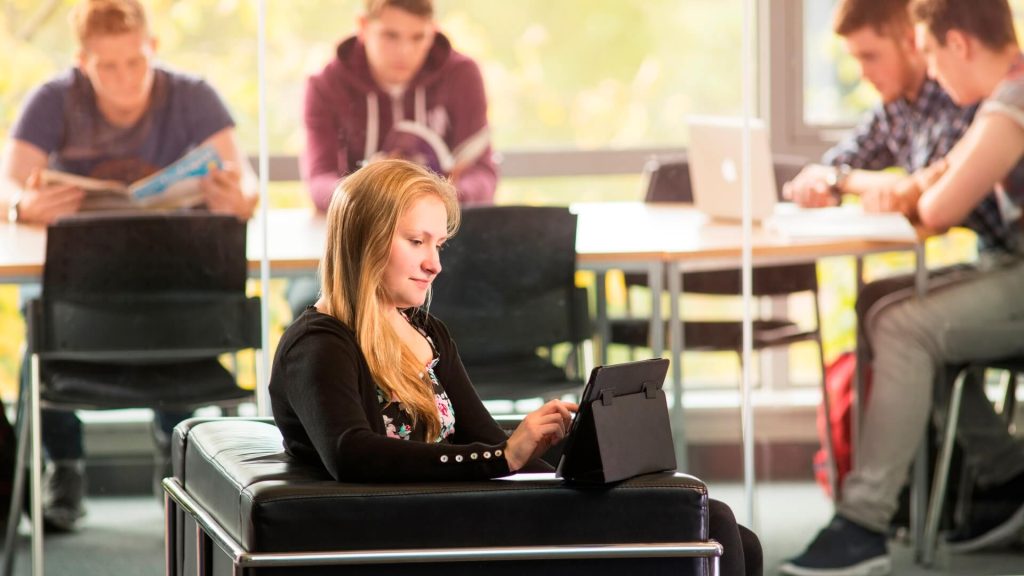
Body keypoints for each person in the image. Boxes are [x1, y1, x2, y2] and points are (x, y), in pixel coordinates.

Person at [270, 158, 762, 576]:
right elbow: (352, 454)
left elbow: (482, 435)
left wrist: (565, 453)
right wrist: (503, 458)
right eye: (417, 242)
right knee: (711, 525)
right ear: (364, 240)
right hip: (417, 530)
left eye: (438, 244)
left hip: (462, 513)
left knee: (732, 533)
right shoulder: (318, 343)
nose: (434, 263)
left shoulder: (424, 330)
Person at [783, 1, 1024, 574]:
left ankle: (864, 521)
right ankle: (1004, 474)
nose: (933, 71)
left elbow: (937, 207)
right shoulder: (1001, 99)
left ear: (959, 45)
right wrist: (911, 187)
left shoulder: (1010, 106)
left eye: (934, 54)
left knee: (903, 323)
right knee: (884, 305)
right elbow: (932, 177)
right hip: (1010, 265)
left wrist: (912, 192)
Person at [0, 0, 258, 532]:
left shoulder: (192, 95)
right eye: (106, 66)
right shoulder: (53, 99)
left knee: (174, 312)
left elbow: (245, 181)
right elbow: (8, 184)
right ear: (81, 62)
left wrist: (238, 196)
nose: (123, 81)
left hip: (170, 290)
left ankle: (175, 441)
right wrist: (22, 206)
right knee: (40, 318)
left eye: (134, 63)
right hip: (84, 301)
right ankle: (65, 461)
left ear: (154, 51)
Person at [302, 0, 497, 210]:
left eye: (418, 37)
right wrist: (366, 193)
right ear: (363, 26)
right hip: (363, 228)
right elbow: (319, 180)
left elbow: (483, 173)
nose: (405, 51)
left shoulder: (462, 76)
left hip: (444, 226)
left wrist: (442, 198)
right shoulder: (326, 84)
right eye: (390, 35)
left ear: (433, 30)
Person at [783, 0, 975, 212]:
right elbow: (833, 164)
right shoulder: (894, 109)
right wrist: (818, 185)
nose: (862, 74)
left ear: (910, 42)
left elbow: (928, 188)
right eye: (856, 59)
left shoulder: (957, 95)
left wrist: (841, 180)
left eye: (870, 57)